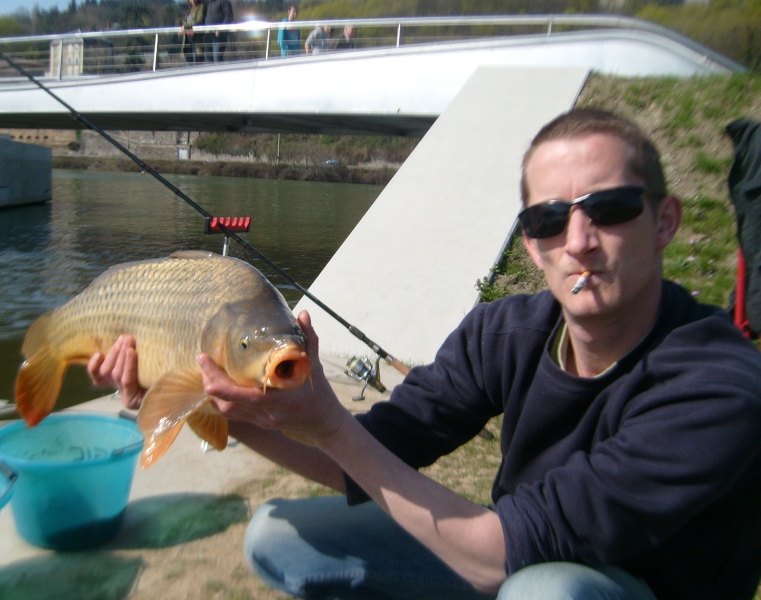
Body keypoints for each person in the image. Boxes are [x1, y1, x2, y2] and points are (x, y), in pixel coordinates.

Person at [89, 109, 761, 600]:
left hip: (610, 586)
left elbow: (506, 558)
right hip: (516, 557)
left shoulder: (718, 385)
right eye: (548, 220)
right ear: (530, 244)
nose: (578, 241)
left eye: (608, 208)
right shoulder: (506, 332)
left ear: (665, 221)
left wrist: (325, 418)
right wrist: (239, 418)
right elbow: (370, 453)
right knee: (279, 534)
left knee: (546, 593)